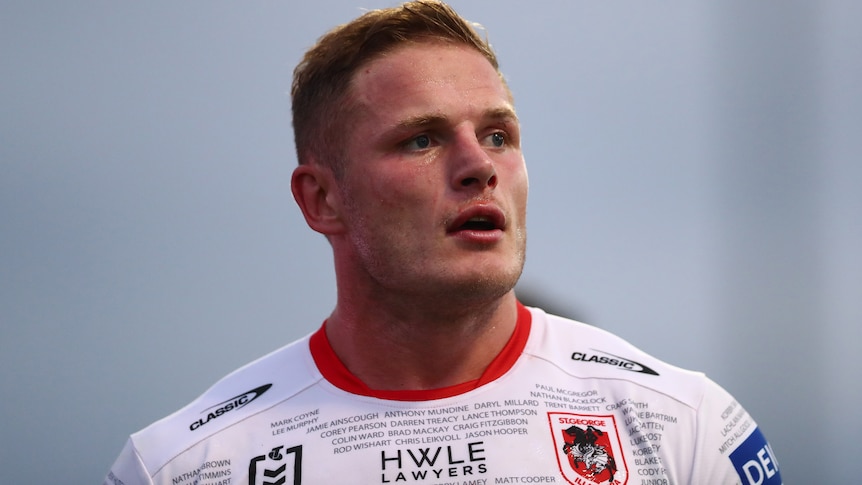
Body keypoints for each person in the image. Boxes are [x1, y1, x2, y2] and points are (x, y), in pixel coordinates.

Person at [104, 2, 782, 484]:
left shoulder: (686, 430)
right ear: (323, 198)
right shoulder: (185, 465)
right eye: (421, 139)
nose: (478, 165)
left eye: (497, 135)